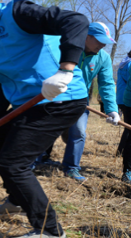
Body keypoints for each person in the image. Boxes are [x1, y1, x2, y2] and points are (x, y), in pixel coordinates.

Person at [0, 0, 89, 238]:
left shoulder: (17, 14)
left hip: (59, 99)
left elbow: (76, 20)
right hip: (29, 105)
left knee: (13, 164)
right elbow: (5, 88)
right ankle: (16, 199)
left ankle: (48, 231)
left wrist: (65, 69)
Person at [43, 22, 119, 182]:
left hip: (79, 98)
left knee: (78, 132)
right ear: (87, 36)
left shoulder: (103, 58)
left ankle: (71, 168)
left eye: (105, 41)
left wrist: (112, 109)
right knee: (48, 128)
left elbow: (106, 84)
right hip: (56, 93)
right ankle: (40, 159)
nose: (103, 44)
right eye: (99, 40)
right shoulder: (66, 47)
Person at [117, 50, 131, 156]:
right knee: (129, 128)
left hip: (121, 97)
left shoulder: (123, 63)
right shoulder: (129, 64)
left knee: (127, 127)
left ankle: (120, 150)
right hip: (127, 99)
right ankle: (122, 151)